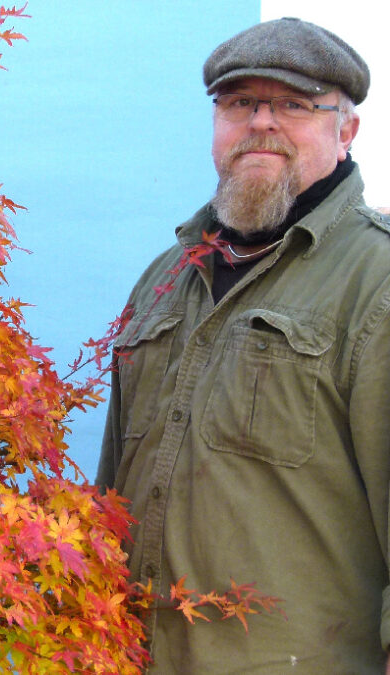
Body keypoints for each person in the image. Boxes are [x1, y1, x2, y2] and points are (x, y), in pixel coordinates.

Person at [95, 17, 390, 673]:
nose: (261, 122)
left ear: (346, 130)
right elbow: (111, 488)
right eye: (239, 103)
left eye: (293, 104)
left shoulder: (377, 282)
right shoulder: (165, 277)